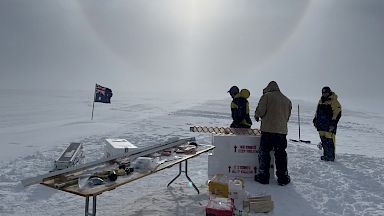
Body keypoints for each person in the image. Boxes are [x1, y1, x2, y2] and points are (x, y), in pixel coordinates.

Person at [254, 81, 292, 186]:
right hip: (281, 132)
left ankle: (263, 176)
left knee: (264, 153)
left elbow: (260, 111)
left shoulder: (266, 96)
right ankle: (283, 178)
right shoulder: (287, 100)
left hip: (268, 131)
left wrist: (257, 115)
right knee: (281, 154)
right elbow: (287, 117)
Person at [313, 86, 342, 161]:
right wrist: (315, 119)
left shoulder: (333, 101)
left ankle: (331, 156)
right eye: (323, 92)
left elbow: (338, 113)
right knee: (324, 140)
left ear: (329, 92)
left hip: (329, 126)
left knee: (330, 141)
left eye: (326, 92)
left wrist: (333, 123)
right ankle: (326, 155)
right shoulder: (321, 101)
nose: (325, 94)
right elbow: (317, 112)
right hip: (321, 126)